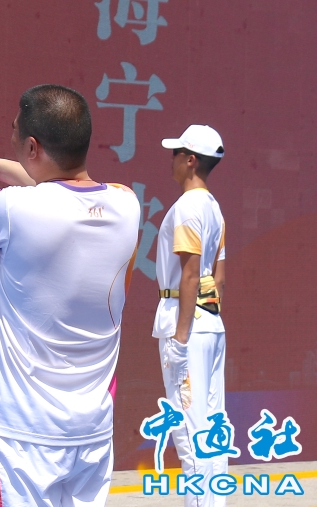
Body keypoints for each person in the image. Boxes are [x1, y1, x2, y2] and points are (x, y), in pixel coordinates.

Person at [0, 85, 141, 507]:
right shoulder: (127, 204)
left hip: (19, 432)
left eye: (15, 131)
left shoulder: (10, 209)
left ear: (32, 146)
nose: (12, 138)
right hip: (90, 431)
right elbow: (60, 190)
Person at [154, 125, 226, 507]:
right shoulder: (214, 208)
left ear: (191, 160)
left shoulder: (187, 206)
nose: (172, 160)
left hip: (186, 324)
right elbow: (219, 278)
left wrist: (182, 339)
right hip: (210, 322)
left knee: (190, 433)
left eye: (176, 153)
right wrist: (207, 320)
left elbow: (190, 273)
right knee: (212, 428)